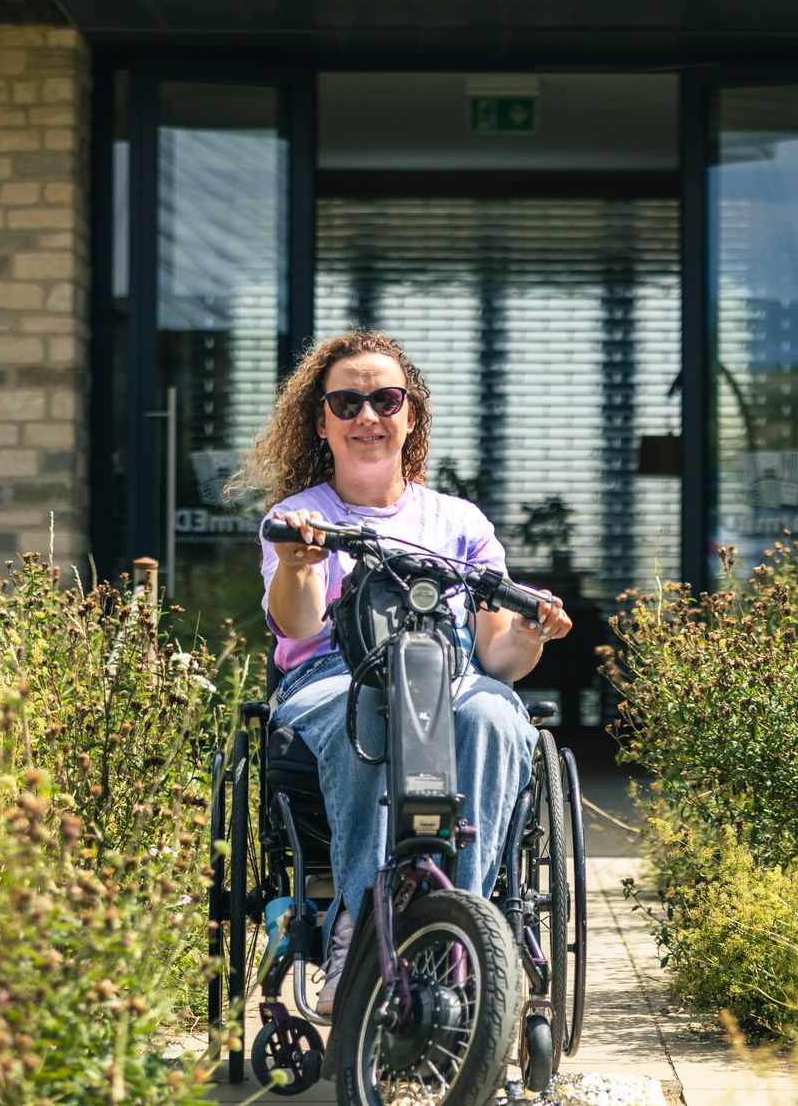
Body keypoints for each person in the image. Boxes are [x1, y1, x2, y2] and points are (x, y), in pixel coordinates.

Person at [243, 329, 573, 1016]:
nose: (368, 415)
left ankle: (466, 932)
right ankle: (359, 934)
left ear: (411, 415)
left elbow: (497, 659)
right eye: (348, 401)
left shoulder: (459, 523)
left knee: (490, 712)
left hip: (445, 671)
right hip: (335, 679)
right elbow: (299, 628)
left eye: (385, 398)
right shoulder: (295, 518)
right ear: (321, 419)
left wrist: (530, 633)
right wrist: (303, 564)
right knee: (372, 710)